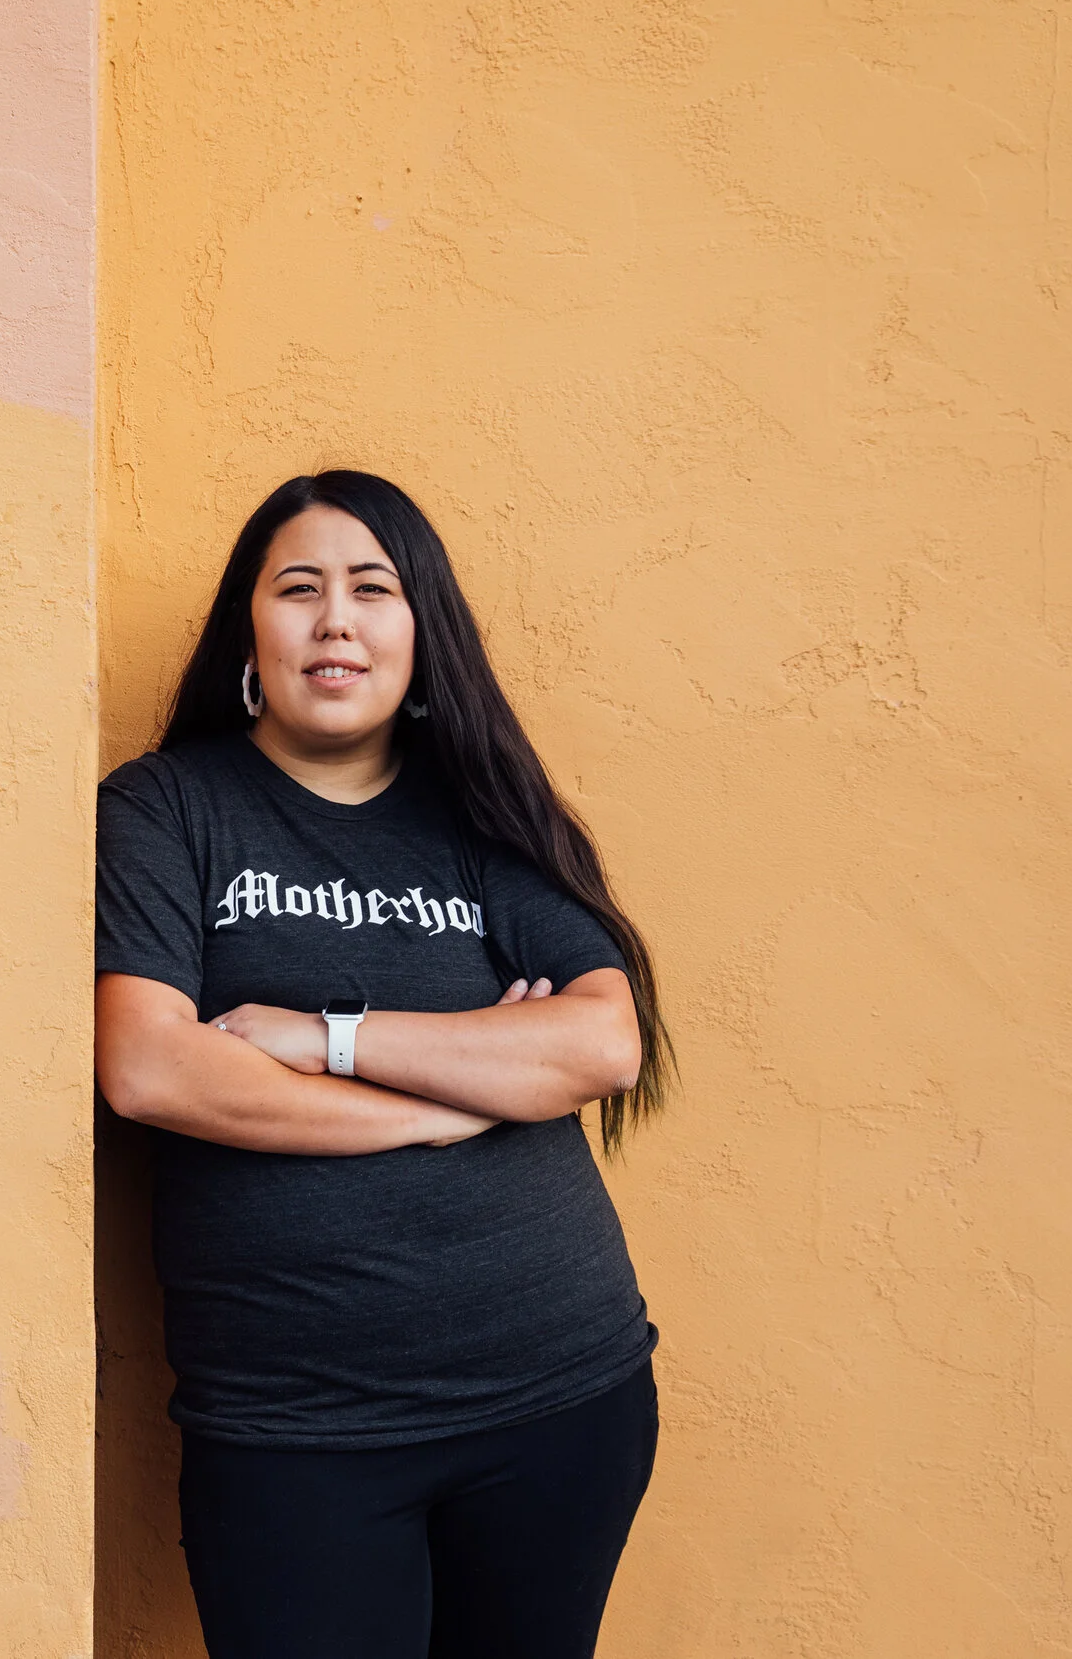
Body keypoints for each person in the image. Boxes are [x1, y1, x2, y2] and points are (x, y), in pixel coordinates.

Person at [95, 470, 673, 1659]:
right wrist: (449, 1105)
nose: (336, 618)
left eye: (373, 587)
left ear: (422, 631)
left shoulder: (483, 822)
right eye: (297, 587)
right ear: (249, 629)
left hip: (558, 1393)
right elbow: (150, 1068)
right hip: (294, 1426)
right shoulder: (165, 811)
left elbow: (600, 1041)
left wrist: (326, 1040)